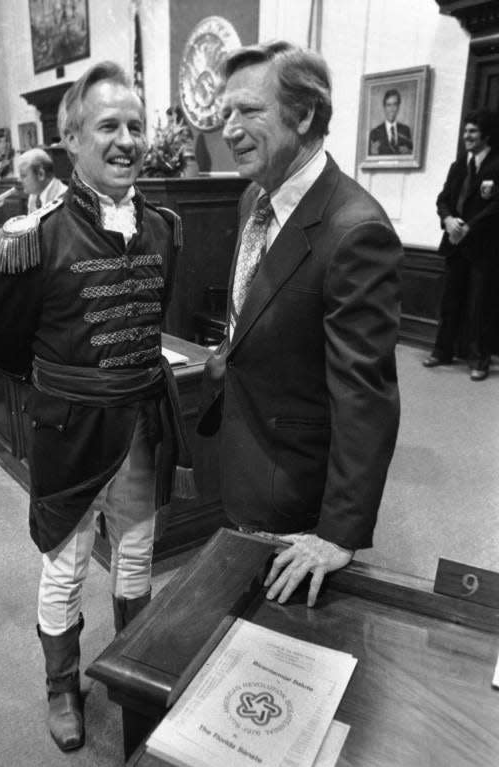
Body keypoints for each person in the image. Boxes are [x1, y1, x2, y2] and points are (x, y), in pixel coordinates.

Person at [0, 61, 189, 752]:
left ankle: (135, 674)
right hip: (67, 433)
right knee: (64, 567)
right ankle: (61, 686)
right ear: (71, 139)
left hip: (142, 430)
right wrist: (67, 389)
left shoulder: (166, 229)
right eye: (108, 126)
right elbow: (3, 346)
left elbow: (153, 320)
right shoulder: (33, 237)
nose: (126, 139)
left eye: (135, 125)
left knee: (135, 560)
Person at [198, 41, 402, 608]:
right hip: (245, 455)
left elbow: (367, 397)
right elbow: (262, 304)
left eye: (248, 111)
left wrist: (337, 533)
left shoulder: (356, 230)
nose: (230, 129)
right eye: (225, 115)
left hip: (297, 497)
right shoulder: (252, 198)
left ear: (305, 113)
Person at [423, 109, 499, 381]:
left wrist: (469, 227)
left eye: (472, 132)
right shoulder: (458, 166)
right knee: (449, 302)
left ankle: (479, 360)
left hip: (483, 249)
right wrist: (448, 219)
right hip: (455, 245)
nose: (466, 136)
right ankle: (442, 351)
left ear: (486, 135)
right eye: (465, 131)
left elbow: (495, 207)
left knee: (480, 306)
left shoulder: (496, 165)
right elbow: (443, 198)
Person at [18, 147, 67, 213]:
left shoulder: (63, 198)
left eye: (23, 175)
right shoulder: (34, 194)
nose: (19, 180)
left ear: (41, 174)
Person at [368, 88, 413, 156]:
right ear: (384, 107)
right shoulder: (375, 133)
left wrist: (409, 152)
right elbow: (370, 159)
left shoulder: (406, 130)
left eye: (394, 104)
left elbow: (412, 157)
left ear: (398, 107)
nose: (392, 109)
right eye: (388, 105)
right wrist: (373, 154)